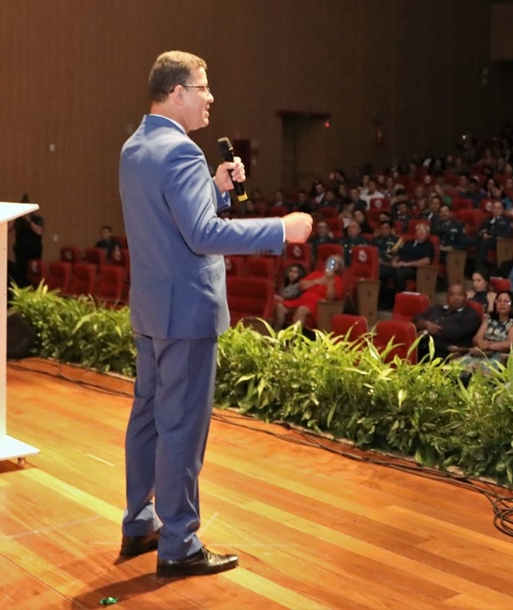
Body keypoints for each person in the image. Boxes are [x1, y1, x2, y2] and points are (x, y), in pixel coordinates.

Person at [118, 51, 312, 577]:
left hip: (153, 307)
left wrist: (216, 189)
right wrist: (281, 229)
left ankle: (140, 521)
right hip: (186, 312)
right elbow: (202, 236)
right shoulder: (180, 152)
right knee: (181, 427)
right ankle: (179, 543)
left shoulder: (136, 146)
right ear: (177, 92)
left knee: (148, 419)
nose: (210, 97)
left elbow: (174, 220)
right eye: (203, 87)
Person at [275, 255, 345, 330]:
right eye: (330, 261)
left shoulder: (338, 280)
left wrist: (330, 281)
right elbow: (301, 286)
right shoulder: (316, 273)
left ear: (339, 267)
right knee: (280, 307)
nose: (332, 264)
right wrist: (316, 281)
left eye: (335, 263)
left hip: (318, 306)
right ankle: (276, 334)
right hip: (302, 300)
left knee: (302, 309)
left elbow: (330, 298)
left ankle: (294, 339)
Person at [413, 284, 482, 361]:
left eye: (460, 295)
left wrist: (425, 331)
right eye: (452, 295)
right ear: (447, 297)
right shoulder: (437, 308)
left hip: (448, 353)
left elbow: (452, 333)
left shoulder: (470, 315)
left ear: (465, 297)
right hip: (425, 347)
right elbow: (417, 318)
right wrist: (426, 324)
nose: (456, 298)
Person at [461, 290, 513, 365]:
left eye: (506, 301)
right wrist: (481, 343)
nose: (502, 304)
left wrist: (489, 346)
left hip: (500, 357)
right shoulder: (489, 319)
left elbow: (510, 344)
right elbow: (476, 338)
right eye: (499, 301)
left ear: (512, 306)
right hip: (481, 352)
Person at [10, 194, 44, 288]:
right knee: (19, 275)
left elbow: (39, 232)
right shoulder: (18, 220)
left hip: (33, 254)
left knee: (33, 276)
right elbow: (9, 229)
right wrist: (15, 215)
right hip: (20, 254)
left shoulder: (37, 219)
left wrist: (28, 220)